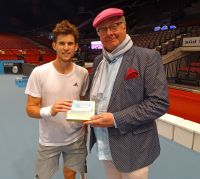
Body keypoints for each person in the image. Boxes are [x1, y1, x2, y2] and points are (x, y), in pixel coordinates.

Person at [84, 8, 169, 179]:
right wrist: (79, 110)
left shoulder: (148, 57)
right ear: (98, 34)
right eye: (103, 29)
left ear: (124, 26)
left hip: (134, 147)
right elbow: (94, 96)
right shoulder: (99, 60)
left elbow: (158, 103)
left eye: (114, 26)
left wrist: (116, 119)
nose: (109, 33)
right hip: (105, 142)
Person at [25, 20, 89, 179]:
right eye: (62, 43)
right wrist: (50, 110)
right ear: (54, 45)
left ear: (75, 47)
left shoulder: (83, 74)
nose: (66, 48)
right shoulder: (39, 73)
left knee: (70, 176)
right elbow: (30, 109)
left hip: (75, 139)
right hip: (48, 141)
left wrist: (86, 132)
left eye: (70, 43)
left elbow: (81, 103)